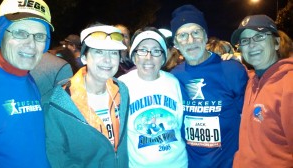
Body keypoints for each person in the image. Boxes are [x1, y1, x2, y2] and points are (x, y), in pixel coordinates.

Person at [169, 4, 248, 168]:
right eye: (182, 35)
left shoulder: (232, 71)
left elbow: (250, 123)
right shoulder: (174, 77)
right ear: (176, 43)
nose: (190, 40)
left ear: (205, 36)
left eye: (196, 32)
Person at [42, 24, 129, 168]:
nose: (107, 60)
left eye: (113, 52)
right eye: (99, 52)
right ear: (84, 57)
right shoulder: (58, 103)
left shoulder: (122, 92)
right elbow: (57, 159)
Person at [0, 0, 53, 167]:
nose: (31, 44)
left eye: (40, 36)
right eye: (20, 33)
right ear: (0, 34)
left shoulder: (26, 77)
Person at [119, 27, 188, 168]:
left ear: (163, 57)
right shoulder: (122, 85)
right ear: (134, 55)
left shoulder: (174, 82)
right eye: (143, 50)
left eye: (156, 51)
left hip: (178, 164)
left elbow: (180, 123)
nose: (148, 57)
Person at [230, 14, 293, 167]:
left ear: (277, 43)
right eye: (245, 41)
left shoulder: (289, 85)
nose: (251, 45)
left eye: (259, 36)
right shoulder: (252, 80)